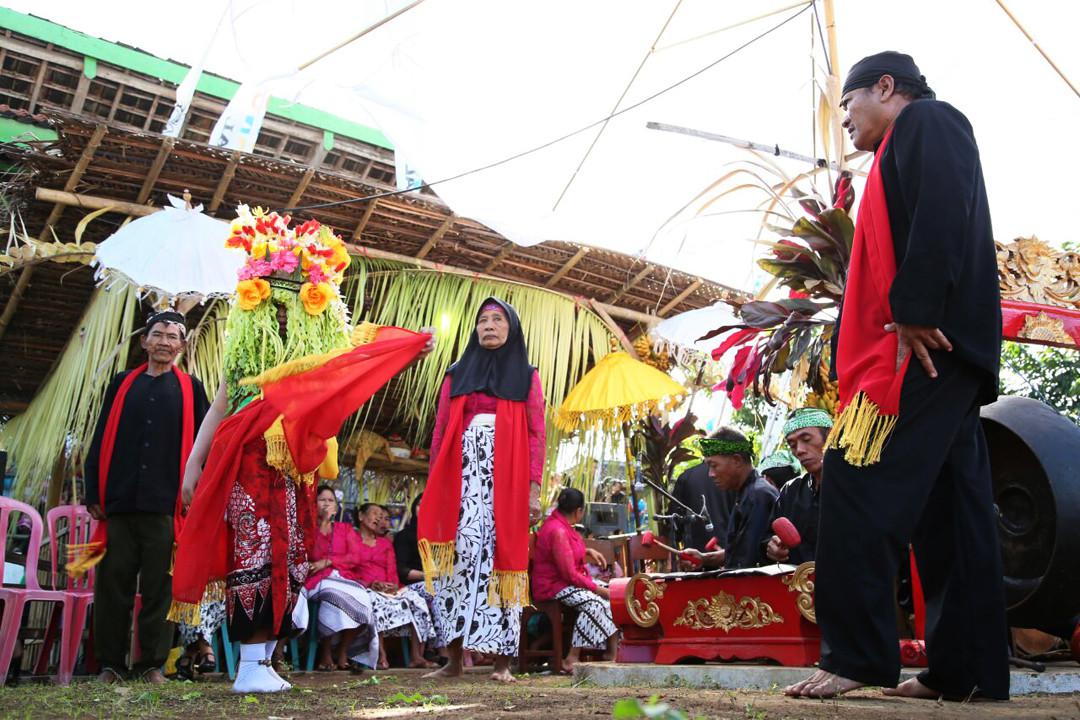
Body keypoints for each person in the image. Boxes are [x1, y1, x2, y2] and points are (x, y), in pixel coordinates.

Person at [786, 52, 1008, 701]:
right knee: (951, 513)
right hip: (947, 349)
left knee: (854, 478)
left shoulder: (930, 122)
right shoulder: (902, 146)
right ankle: (964, 672)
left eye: (850, 106)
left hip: (924, 347)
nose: (847, 124)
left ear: (886, 88)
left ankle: (858, 655)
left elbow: (944, 210)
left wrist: (913, 310)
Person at [169, 209, 433, 693]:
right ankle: (248, 665)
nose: (286, 312)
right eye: (277, 301)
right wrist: (193, 461)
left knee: (289, 555)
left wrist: (404, 350)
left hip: (294, 466)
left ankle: (264, 661)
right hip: (247, 459)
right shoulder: (245, 355)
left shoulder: (316, 361)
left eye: (295, 301)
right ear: (260, 302)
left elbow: (356, 365)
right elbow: (219, 407)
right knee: (255, 550)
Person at [418, 297, 545, 683]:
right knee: (457, 562)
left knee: (501, 561)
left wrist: (534, 490)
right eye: (482, 320)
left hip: (506, 484)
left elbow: (537, 434)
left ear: (512, 328)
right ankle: (453, 659)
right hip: (459, 480)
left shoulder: (527, 375)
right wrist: (434, 486)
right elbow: (441, 430)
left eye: (497, 319)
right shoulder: (456, 373)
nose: (489, 326)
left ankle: (503, 664)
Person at [78, 311, 209, 684]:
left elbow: (202, 446)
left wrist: (193, 494)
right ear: (144, 342)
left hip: (166, 506)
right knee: (113, 587)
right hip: (118, 502)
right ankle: (110, 665)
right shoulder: (122, 384)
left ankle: (152, 664)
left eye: (172, 336)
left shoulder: (191, 389)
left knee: (158, 589)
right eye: (158, 334)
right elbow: (100, 436)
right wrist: (93, 491)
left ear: (182, 346)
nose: (164, 342)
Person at [532, 488, 619, 672]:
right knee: (595, 603)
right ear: (579, 511)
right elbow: (569, 574)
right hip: (553, 586)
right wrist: (598, 589)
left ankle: (612, 651)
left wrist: (587, 551)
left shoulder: (561, 524)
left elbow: (567, 552)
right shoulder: (558, 530)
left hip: (565, 582)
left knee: (616, 594)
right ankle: (572, 657)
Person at [303, 485, 379, 671]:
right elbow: (311, 553)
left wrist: (328, 562)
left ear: (336, 507)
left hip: (343, 577)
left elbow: (355, 557)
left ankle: (343, 650)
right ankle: (326, 651)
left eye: (331, 501)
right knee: (332, 597)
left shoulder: (345, 529)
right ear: (314, 504)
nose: (327, 504)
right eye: (322, 500)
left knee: (364, 601)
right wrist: (323, 525)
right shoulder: (309, 528)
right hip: (318, 580)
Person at [353, 503, 436, 669]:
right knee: (375, 601)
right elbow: (349, 567)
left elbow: (392, 568)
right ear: (361, 517)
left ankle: (416, 655)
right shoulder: (351, 540)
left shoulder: (385, 544)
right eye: (374, 513)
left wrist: (392, 586)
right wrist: (370, 584)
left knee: (415, 599)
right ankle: (380, 654)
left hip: (389, 588)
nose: (378, 518)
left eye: (381, 515)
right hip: (363, 587)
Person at [682, 428, 777, 570]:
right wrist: (704, 559)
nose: (711, 474)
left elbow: (748, 564)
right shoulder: (746, 493)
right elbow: (739, 553)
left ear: (737, 460)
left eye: (714, 466)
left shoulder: (758, 496)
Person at [763, 409, 831, 565]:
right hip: (795, 585)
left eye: (806, 439)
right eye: (792, 445)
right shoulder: (790, 490)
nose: (799, 450)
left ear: (830, 437)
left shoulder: (853, 486)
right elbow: (767, 536)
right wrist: (771, 546)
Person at [393, 494, 449, 653]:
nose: (423, 508)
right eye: (419, 505)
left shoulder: (441, 536)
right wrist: (430, 575)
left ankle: (470, 651)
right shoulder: (405, 535)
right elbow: (402, 571)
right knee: (442, 591)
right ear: (413, 509)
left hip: (437, 583)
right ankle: (442, 649)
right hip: (411, 586)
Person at [669, 460, 732, 552]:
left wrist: (678, 538)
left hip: (697, 550)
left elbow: (675, 518)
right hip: (729, 547)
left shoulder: (687, 476)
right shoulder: (731, 476)